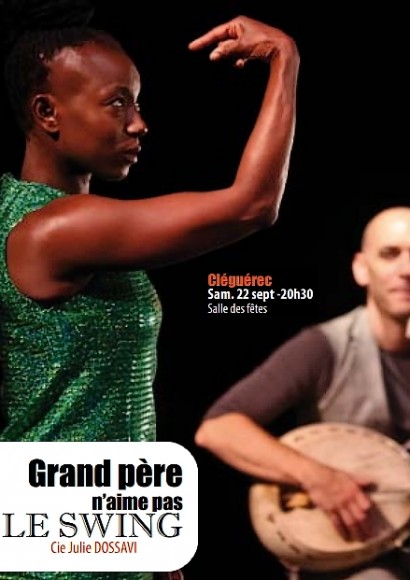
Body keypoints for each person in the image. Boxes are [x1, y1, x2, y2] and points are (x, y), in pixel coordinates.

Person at [0, 0, 299, 578]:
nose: (138, 123)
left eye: (136, 102)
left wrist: (145, 533)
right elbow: (253, 205)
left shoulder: (55, 218)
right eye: (117, 103)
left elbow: (109, 395)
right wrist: (285, 57)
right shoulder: (55, 228)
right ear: (47, 112)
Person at [195, 206, 410, 580]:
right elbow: (218, 429)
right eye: (390, 254)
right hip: (357, 556)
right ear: (361, 268)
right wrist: (319, 477)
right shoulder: (324, 347)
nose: (407, 269)